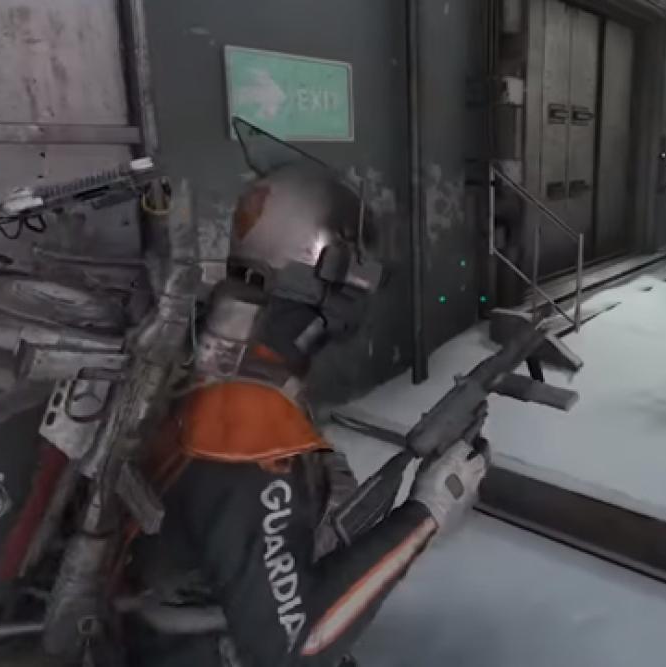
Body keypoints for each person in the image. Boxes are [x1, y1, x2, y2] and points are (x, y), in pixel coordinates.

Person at [129, 163, 488, 666]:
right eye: (361, 271)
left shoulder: (210, 348)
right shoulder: (247, 425)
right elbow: (296, 649)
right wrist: (425, 515)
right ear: (330, 271)